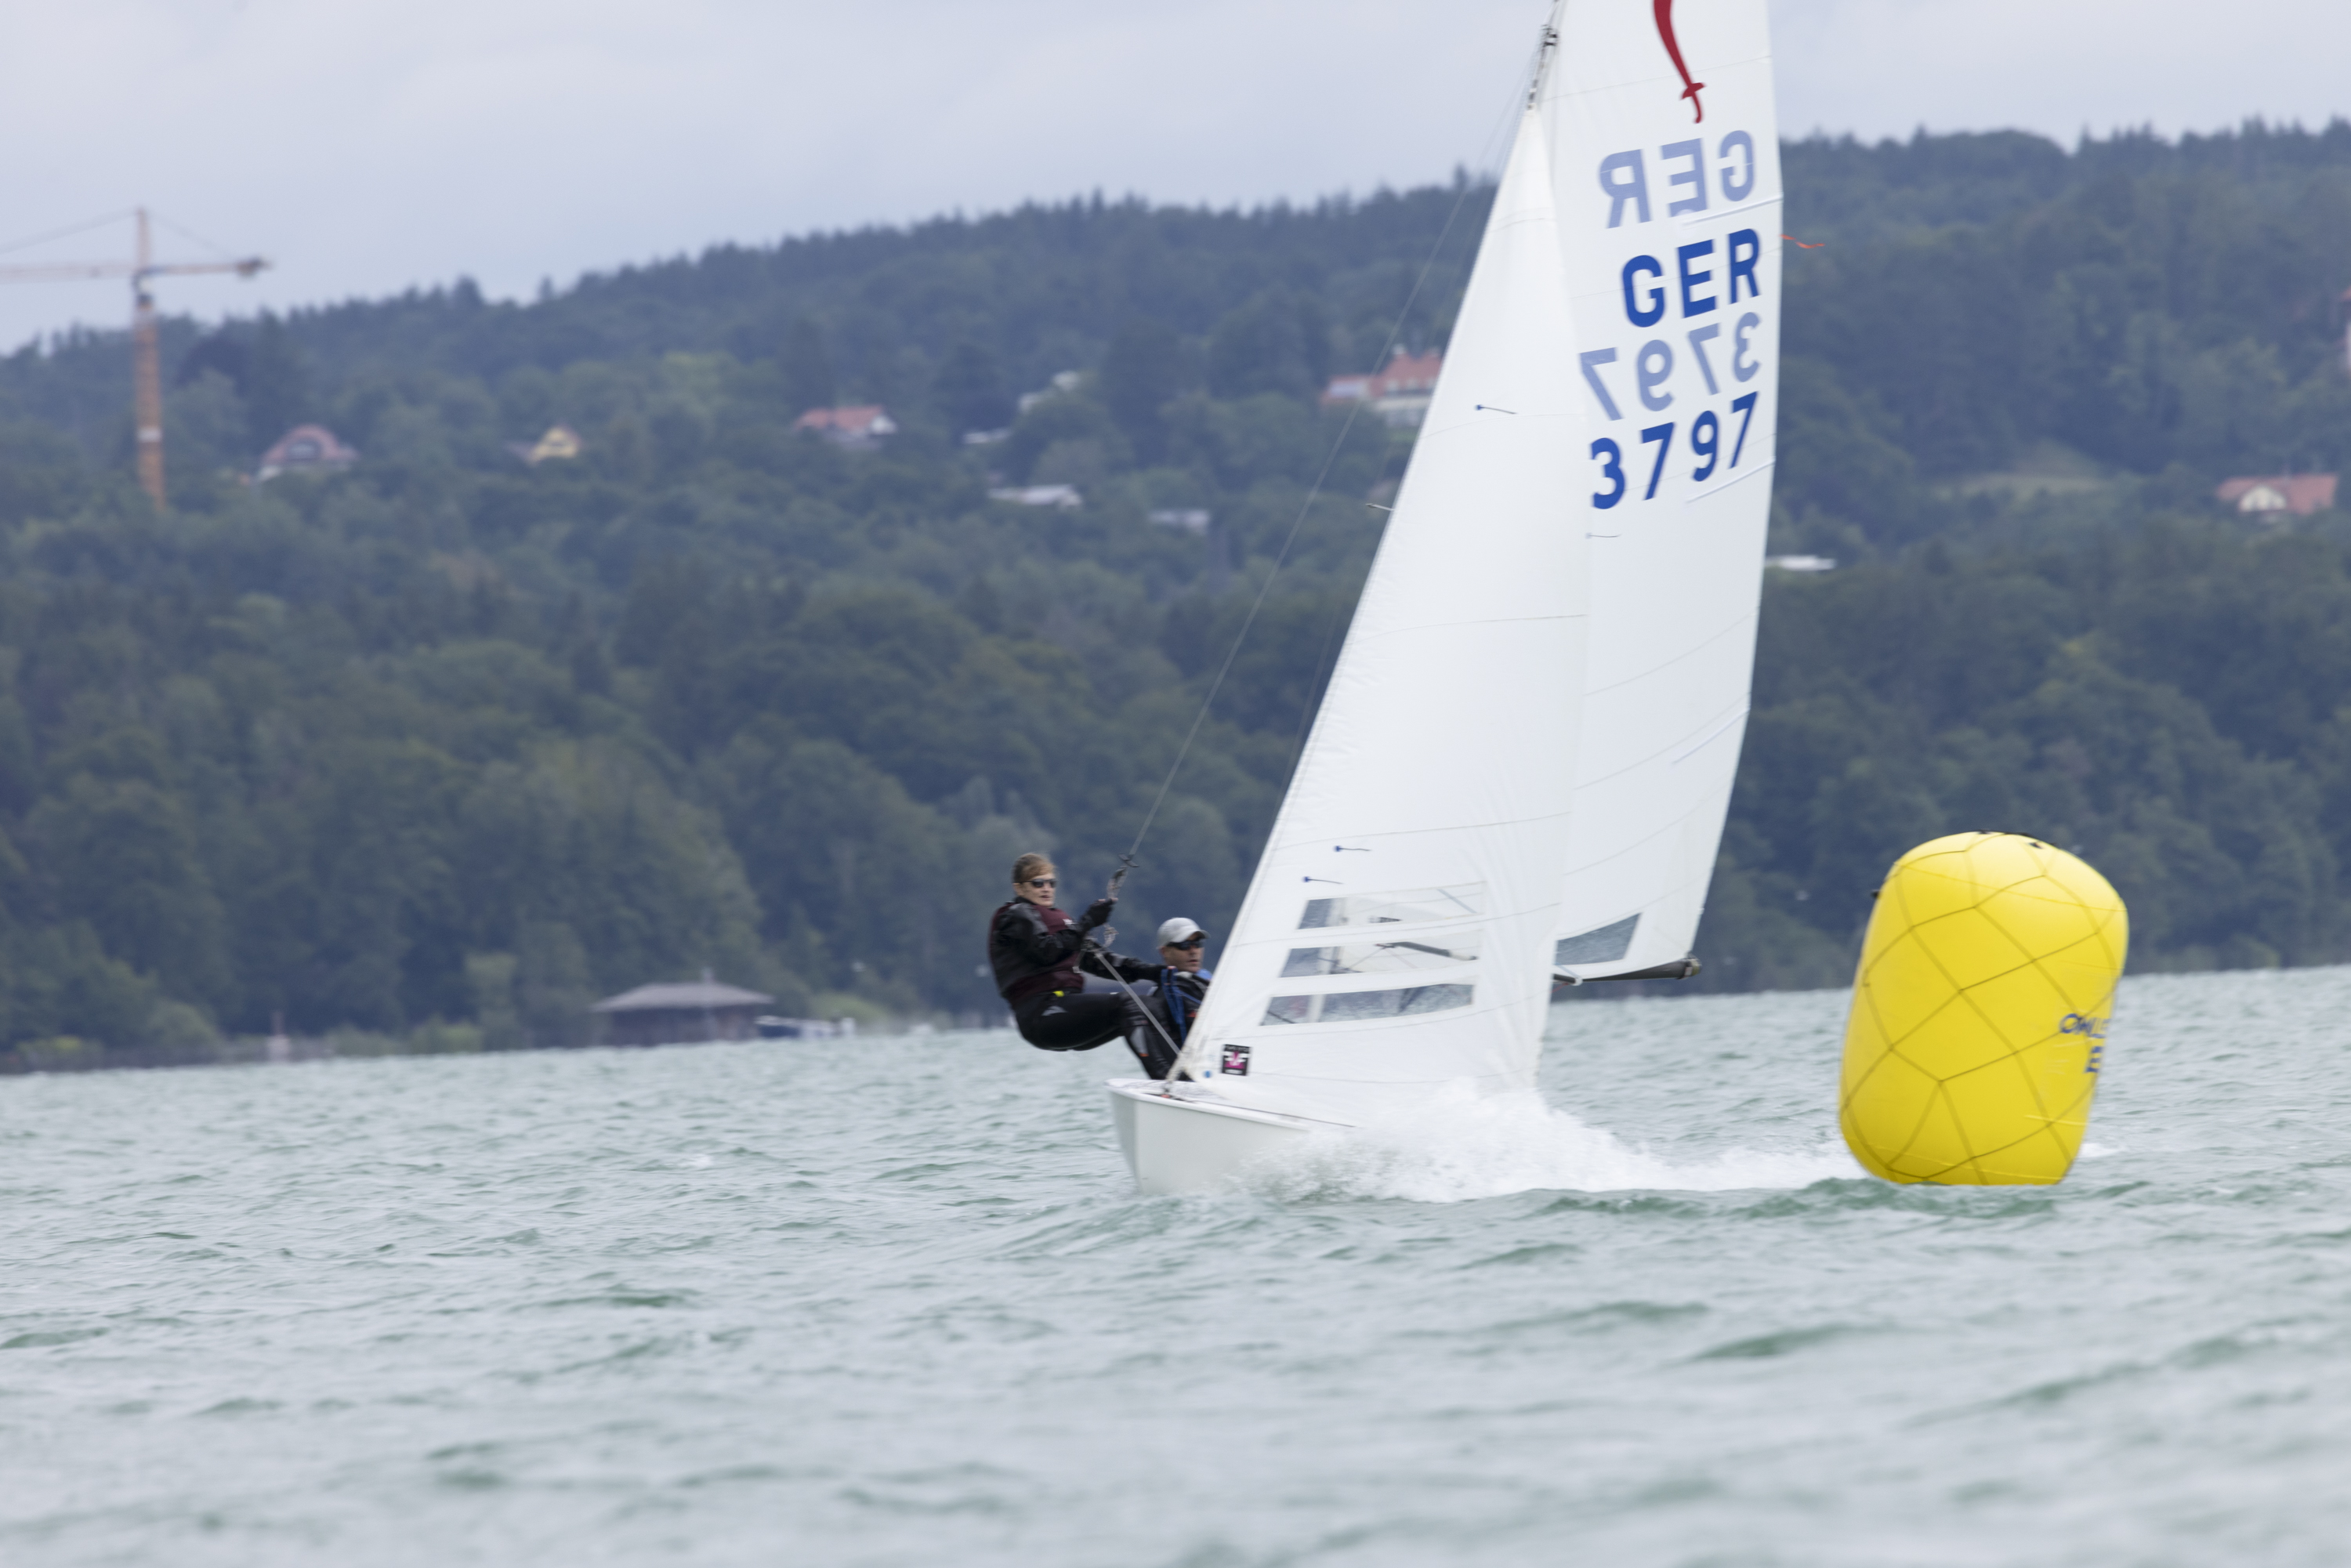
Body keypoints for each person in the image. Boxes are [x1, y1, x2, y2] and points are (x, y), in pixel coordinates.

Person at [988, 853, 1178, 1078]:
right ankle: (1164, 1078)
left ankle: (1181, 1077)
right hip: (1041, 1015)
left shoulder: (1059, 923)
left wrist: (1155, 972)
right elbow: (1046, 951)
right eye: (1038, 883)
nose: (1046, 888)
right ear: (1019, 888)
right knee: (1130, 1005)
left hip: (1068, 1008)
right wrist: (1088, 922)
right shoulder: (1014, 916)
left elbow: (1101, 962)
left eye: (1051, 883)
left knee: (1152, 1005)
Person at [1149, 917, 1213, 1060]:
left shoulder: (1206, 980)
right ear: (1164, 951)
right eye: (1184, 945)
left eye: (1197, 944)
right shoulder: (1162, 995)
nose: (1193, 951)